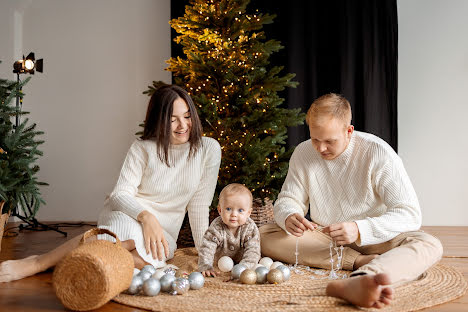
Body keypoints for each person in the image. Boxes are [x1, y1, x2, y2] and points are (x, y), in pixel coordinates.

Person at [0, 84, 221, 282]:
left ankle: (87, 263)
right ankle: (39, 262)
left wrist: (206, 255)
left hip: (164, 230)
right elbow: (120, 195)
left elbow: (199, 206)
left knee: (140, 258)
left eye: (187, 115)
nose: (182, 125)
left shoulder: (208, 149)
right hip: (127, 213)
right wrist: (146, 217)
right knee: (120, 242)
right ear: (159, 120)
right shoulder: (143, 148)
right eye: (172, 119)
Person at [259, 93, 443, 308]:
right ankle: (359, 263)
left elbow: (410, 213)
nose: (320, 148)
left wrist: (358, 229)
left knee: (430, 244)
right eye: (315, 139)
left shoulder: (378, 152)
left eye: (329, 141)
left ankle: (364, 278)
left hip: (378, 238)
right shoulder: (303, 152)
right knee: (264, 234)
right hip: (327, 239)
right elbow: (288, 199)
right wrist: (289, 214)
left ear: (349, 131)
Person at [198, 183, 261, 277]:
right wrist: (205, 265)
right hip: (220, 262)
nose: (234, 214)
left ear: (248, 213)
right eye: (228, 209)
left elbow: (253, 250)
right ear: (220, 210)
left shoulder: (250, 227)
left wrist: (244, 267)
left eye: (240, 210)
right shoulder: (217, 226)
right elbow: (207, 246)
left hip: (242, 261)